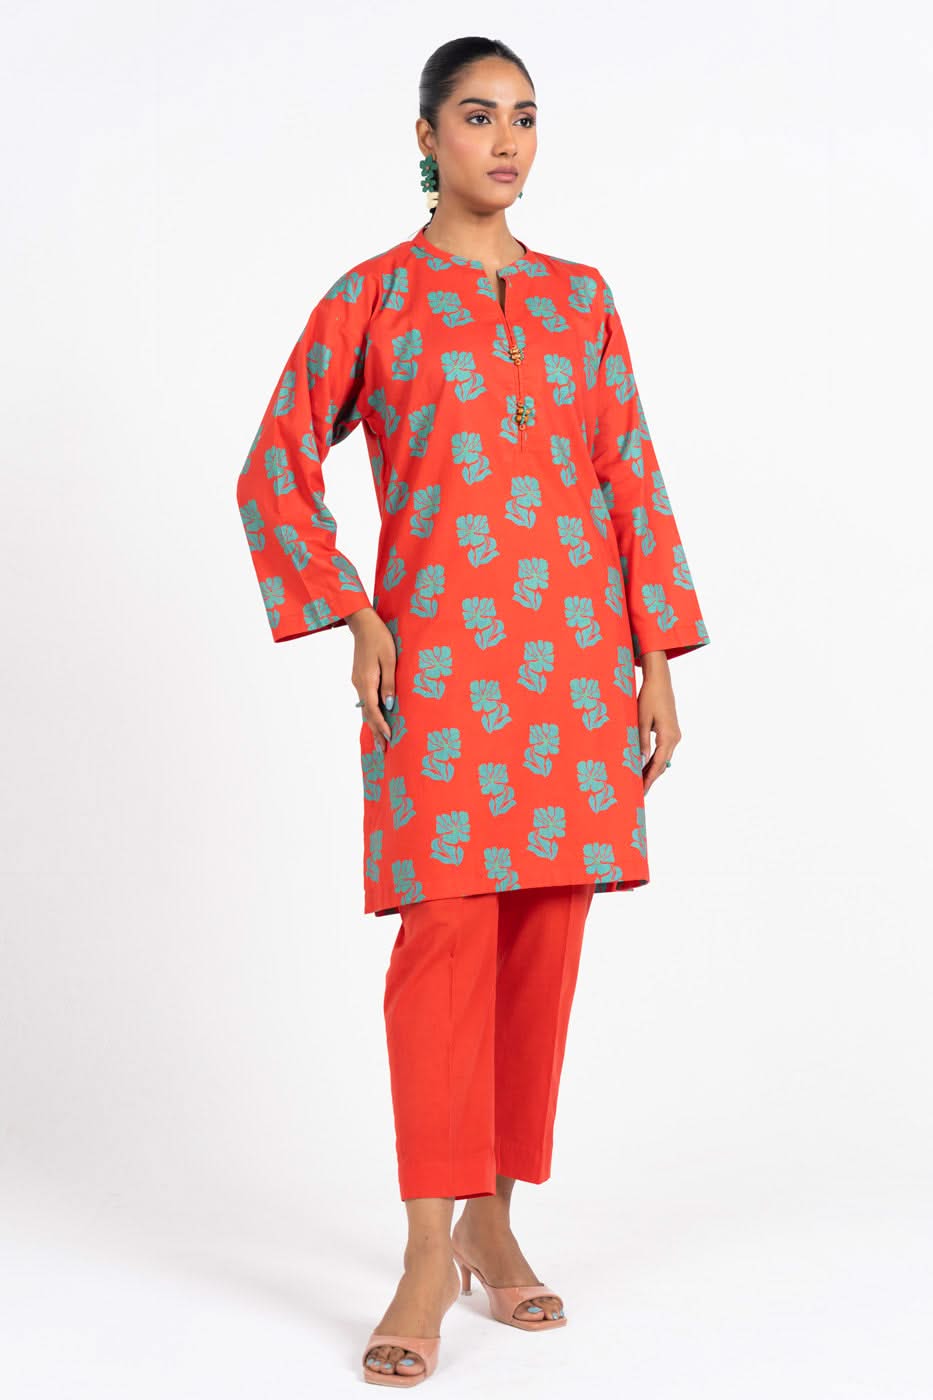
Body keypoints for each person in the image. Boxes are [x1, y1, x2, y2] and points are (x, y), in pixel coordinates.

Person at [235, 34, 711, 1388]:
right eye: (479, 117)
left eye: (525, 118)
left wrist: (655, 657)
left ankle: (496, 1221)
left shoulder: (579, 300)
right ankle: (424, 1253)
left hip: (573, 670)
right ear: (426, 137)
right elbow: (273, 466)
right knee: (444, 942)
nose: (505, 141)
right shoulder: (373, 299)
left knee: (540, 941)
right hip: (441, 672)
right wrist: (353, 610)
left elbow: (627, 474)